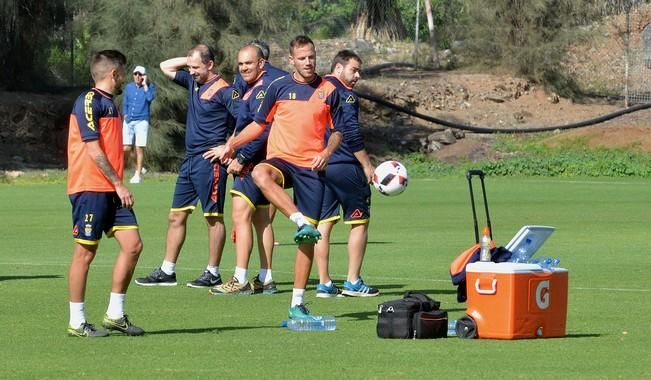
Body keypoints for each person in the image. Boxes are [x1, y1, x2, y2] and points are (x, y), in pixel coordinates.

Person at [206, 35, 345, 321]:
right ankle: (298, 220)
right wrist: (231, 145)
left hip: (312, 168)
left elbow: (340, 131)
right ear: (292, 60)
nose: (308, 62)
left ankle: (297, 303)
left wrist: (327, 152)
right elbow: (258, 126)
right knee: (259, 172)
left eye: (312, 57)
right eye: (302, 58)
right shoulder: (277, 87)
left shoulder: (329, 90)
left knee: (308, 241)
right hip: (281, 160)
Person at [135, 44, 240, 288]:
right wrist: (192, 59)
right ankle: (167, 270)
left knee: (212, 218)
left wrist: (228, 147)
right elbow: (165, 66)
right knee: (175, 216)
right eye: (190, 67)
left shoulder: (225, 90)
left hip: (210, 163)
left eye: (196, 67)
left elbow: (244, 120)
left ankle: (212, 272)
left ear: (210, 64)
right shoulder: (193, 81)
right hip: (189, 160)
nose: (191, 71)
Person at [66, 49, 144, 337]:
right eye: (122, 73)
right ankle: (76, 321)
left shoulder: (112, 104)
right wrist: (119, 183)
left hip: (111, 189)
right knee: (85, 253)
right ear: (114, 74)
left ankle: (115, 314)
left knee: (133, 245)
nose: (124, 78)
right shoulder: (89, 100)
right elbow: (93, 149)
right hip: (91, 187)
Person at [209, 43, 288, 295]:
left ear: (261, 63)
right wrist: (230, 146)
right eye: (241, 63)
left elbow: (262, 129)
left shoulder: (262, 90)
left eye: (249, 63)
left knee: (241, 216)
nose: (244, 68)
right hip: (263, 163)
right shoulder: (253, 87)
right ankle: (266, 278)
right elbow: (244, 125)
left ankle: (240, 278)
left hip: (253, 162)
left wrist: (241, 157)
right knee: (262, 219)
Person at [314, 50, 379, 298]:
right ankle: (352, 281)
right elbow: (350, 131)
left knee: (324, 223)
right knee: (359, 221)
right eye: (354, 69)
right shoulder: (346, 95)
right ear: (338, 68)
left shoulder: (318, 89)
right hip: (344, 164)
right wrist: (365, 164)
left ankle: (324, 283)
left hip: (321, 165)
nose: (358, 76)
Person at [122, 65, 156, 184]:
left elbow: (150, 98)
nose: (137, 76)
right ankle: (139, 168)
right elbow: (125, 102)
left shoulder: (150, 87)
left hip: (142, 121)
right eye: (136, 74)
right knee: (126, 148)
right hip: (128, 120)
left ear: (144, 76)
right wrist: (125, 114)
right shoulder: (129, 87)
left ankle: (137, 175)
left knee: (139, 148)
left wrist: (145, 85)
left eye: (140, 74)